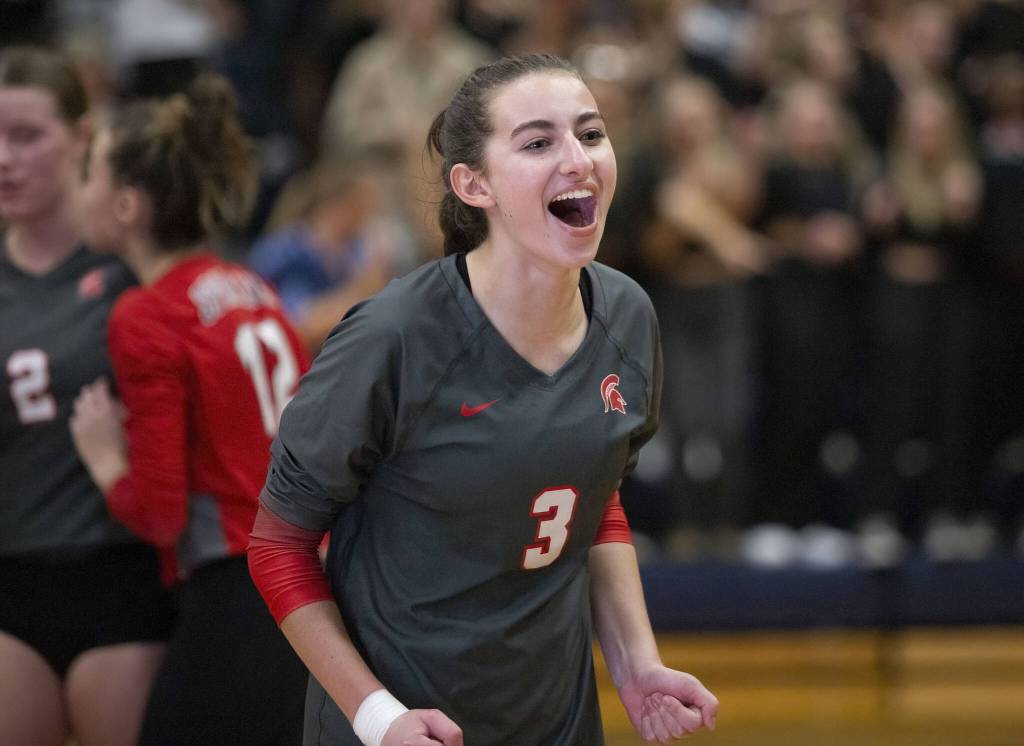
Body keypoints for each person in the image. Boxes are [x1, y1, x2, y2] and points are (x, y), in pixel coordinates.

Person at [248, 53, 719, 745]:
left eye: (590, 134)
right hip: (405, 728)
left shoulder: (628, 315)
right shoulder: (392, 338)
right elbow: (279, 546)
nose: (578, 159)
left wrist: (636, 661)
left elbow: (595, 493)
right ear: (474, 185)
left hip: (556, 722)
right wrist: (380, 718)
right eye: (537, 143)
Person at [68, 73, 310, 745]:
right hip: (311, 578)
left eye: (86, 174)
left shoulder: (146, 313)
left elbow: (160, 509)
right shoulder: (253, 286)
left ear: (125, 207)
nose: (74, 189)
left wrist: (104, 460)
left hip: (236, 587)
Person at [0, 45, 172, 746]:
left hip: (119, 579)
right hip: (11, 580)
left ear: (81, 136)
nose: (5, 158)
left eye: (26, 136)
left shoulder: (133, 266)